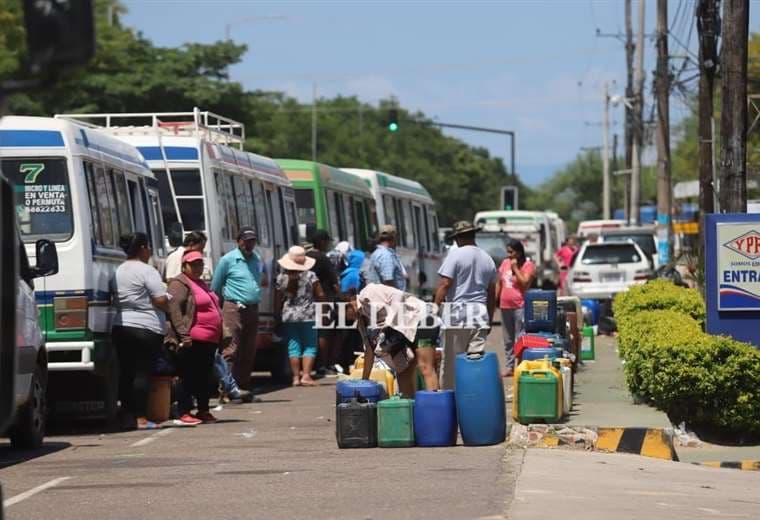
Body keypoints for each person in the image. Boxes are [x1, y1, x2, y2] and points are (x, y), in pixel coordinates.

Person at [111, 232, 170, 430]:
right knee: (142, 373)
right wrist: (172, 308)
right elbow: (160, 299)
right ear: (143, 248)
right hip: (146, 328)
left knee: (126, 373)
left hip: (121, 326)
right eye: (149, 247)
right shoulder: (147, 271)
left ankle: (126, 416)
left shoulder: (118, 270)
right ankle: (141, 418)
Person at [434, 221, 497, 390]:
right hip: (480, 316)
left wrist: (433, 308)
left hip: (457, 316)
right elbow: (492, 294)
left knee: (451, 366)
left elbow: (445, 284)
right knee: (474, 363)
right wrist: (489, 319)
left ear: (458, 239)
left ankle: (449, 402)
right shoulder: (488, 258)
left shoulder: (455, 255)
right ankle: (472, 399)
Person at [347, 283, 440, 395]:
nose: (348, 319)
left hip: (419, 318)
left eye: (344, 314)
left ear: (349, 304)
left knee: (425, 367)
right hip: (402, 332)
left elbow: (398, 296)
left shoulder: (368, 293)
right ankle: (407, 407)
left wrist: (388, 325)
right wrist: (364, 382)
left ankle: (435, 408)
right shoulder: (362, 324)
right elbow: (369, 352)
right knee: (402, 372)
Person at [165, 251, 220, 425]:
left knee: (205, 377)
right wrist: (183, 334)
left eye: (200, 264)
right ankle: (184, 411)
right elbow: (174, 310)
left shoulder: (201, 283)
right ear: (184, 266)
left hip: (209, 340)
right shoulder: (179, 283)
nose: (197, 267)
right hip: (192, 339)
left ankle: (203, 410)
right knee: (188, 375)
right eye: (193, 264)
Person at [211, 227, 264, 396]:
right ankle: (226, 389)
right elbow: (216, 287)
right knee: (230, 348)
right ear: (238, 241)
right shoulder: (228, 260)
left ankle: (243, 386)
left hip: (252, 308)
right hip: (234, 308)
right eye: (246, 240)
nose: (249, 244)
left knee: (248, 349)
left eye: (252, 241)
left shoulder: (256, 258)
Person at [275, 246, 325, 387]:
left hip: (289, 316)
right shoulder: (311, 276)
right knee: (309, 346)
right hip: (308, 315)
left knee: (293, 346)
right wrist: (323, 309)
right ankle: (307, 375)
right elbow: (320, 295)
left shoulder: (281, 277)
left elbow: (277, 298)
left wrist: (277, 314)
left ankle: (296, 377)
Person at [495, 239, 536, 377]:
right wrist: (495, 299)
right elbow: (499, 282)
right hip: (505, 305)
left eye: (511, 252)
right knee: (508, 339)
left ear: (519, 252)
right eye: (507, 252)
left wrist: (515, 269)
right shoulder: (505, 263)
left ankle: (521, 364)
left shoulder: (528, 265)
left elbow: (525, 282)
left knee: (520, 337)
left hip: (520, 305)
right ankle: (509, 366)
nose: (509, 255)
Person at [306, 230, 341, 374]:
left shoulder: (306, 256)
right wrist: (341, 295)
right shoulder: (323, 258)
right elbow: (334, 282)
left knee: (310, 334)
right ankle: (323, 365)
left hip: (307, 301)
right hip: (323, 300)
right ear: (322, 242)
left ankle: (312, 365)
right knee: (324, 333)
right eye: (327, 242)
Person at [367, 225, 406, 290]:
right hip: (390, 298)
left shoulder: (377, 253)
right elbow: (388, 281)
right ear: (393, 238)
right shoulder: (386, 255)